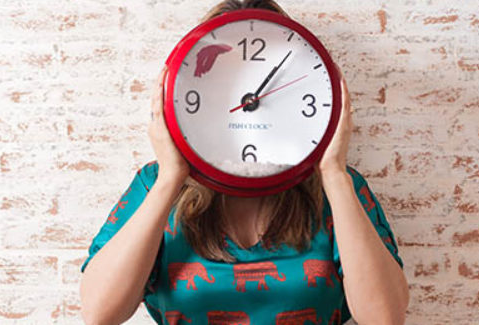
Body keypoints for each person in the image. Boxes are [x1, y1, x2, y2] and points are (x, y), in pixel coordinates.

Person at [79, 1, 409, 324]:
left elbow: (385, 318)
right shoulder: (155, 184)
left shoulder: (338, 188)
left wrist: (334, 173)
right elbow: (99, 313)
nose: (248, 100)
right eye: (227, 86)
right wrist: (172, 176)